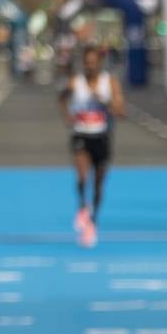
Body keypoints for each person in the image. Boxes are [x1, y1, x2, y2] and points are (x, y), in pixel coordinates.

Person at [59, 45, 123, 249]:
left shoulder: (109, 82)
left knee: (98, 184)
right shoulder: (76, 82)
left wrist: (103, 101)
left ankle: (93, 221)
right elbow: (62, 97)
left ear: (99, 63)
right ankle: (82, 206)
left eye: (94, 62)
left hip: (101, 137)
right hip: (81, 135)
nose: (90, 66)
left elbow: (121, 111)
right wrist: (67, 115)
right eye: (87, 62)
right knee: (82, 177)